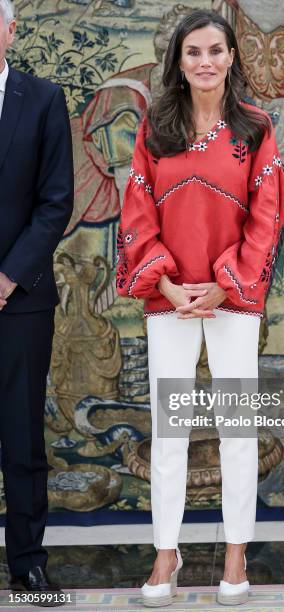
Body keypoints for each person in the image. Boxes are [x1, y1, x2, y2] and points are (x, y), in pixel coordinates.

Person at [116, 9, 284, 607]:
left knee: (238, 427)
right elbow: (136, 212)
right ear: (178, 62)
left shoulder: (255, 128)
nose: (205, 61)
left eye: (216, 50)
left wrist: (226, 284)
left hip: (230, 299)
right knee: (170, 429)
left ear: (232, 57)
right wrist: (164, 284)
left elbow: (267, 218)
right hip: (170, 299)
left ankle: (236, 552)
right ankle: (168, 552)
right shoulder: (154, 126)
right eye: (193, 52)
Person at [0, 0, 74, 603]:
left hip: (19, 299)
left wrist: (6, 278)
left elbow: (56, 202)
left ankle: (27, 564)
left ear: (10, 30)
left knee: (22, 438)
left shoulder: (44, 99)